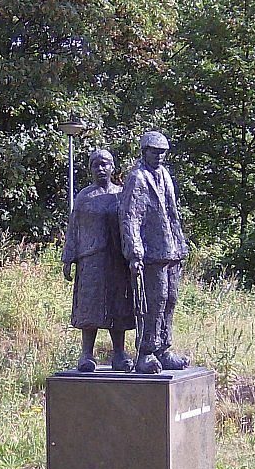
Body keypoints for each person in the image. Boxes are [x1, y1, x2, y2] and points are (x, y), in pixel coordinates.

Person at [119, 130, 190, 374]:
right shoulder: (137, 178)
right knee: (153, 302)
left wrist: (180, 245)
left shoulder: (165, 175)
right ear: (144, 151)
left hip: (171, 250)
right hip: (151, 253)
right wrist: (134, 252)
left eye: (163, 152)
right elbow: (130, 217)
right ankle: (146, 351)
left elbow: (172, 213)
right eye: (155, 151)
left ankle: (164, 348)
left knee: (170, 299)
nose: (159, 156)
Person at [62, 149, 135, 373]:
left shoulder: (121, 195)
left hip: (117, 259)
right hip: (90, 259)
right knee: (90, 306)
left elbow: (132, 225)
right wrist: (68, 258)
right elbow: (73, 228)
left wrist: (135, 255)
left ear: (113, 167)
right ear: (90, 169)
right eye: (96, 165)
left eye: (105, 164)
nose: (101, 169)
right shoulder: (84, 197)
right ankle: (86, 354)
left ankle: (119, 354)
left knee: (118, 304)